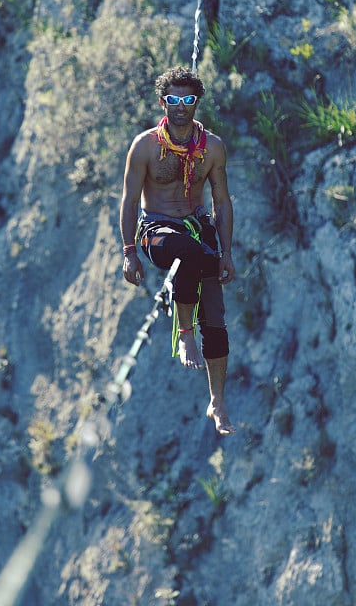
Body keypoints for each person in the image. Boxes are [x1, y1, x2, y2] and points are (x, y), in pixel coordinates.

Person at [120, 65, 236, 436]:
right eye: (174, 100)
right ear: (162, 102)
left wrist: (227, 253)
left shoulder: (212, 148)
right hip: (156, 230)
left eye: (188, 100)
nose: (181, 106)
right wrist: (129, 252)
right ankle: (184, 332)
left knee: (216, 321)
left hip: (197, 227)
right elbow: (128, 201)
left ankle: (217, 401)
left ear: (197, 102)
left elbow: (222, 201)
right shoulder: (145, 146)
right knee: (188, 252)